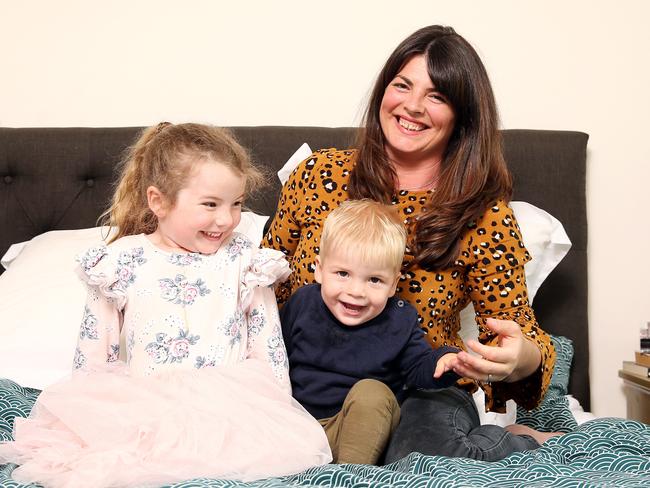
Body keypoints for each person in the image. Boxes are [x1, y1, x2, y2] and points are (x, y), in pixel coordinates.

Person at [264, 25, 560, 462]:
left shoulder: (483, 213)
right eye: (402, 85)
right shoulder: (317, 177)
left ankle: (520, 441)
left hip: (423, 386)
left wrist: (520, 357)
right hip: (315, 383)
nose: (413, 106)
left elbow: (513, 326)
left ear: (463, 115)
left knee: (422, 461)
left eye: (437, 96)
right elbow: (264, 280)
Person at [0, 122, 331, 487]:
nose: (226, 219)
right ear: (158, 201)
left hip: (230, 410)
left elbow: (268, 348)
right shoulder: (121, 262)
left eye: (236, 204)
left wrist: (275, 414)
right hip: (148, 409)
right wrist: (90, 422)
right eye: (210, 204)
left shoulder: (246, 259)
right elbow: (94, 357)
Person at [281, 199, 461, 465]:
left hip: (360, 431)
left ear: (392, 285)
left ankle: (350, 475)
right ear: (319, 270)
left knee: (372, 393)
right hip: (298, 427)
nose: (356, 291)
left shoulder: (399, 319)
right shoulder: (302, 303)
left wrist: (446, 361)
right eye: (342, 273)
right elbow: (274, 354)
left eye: (374, 280)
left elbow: (418, 367)